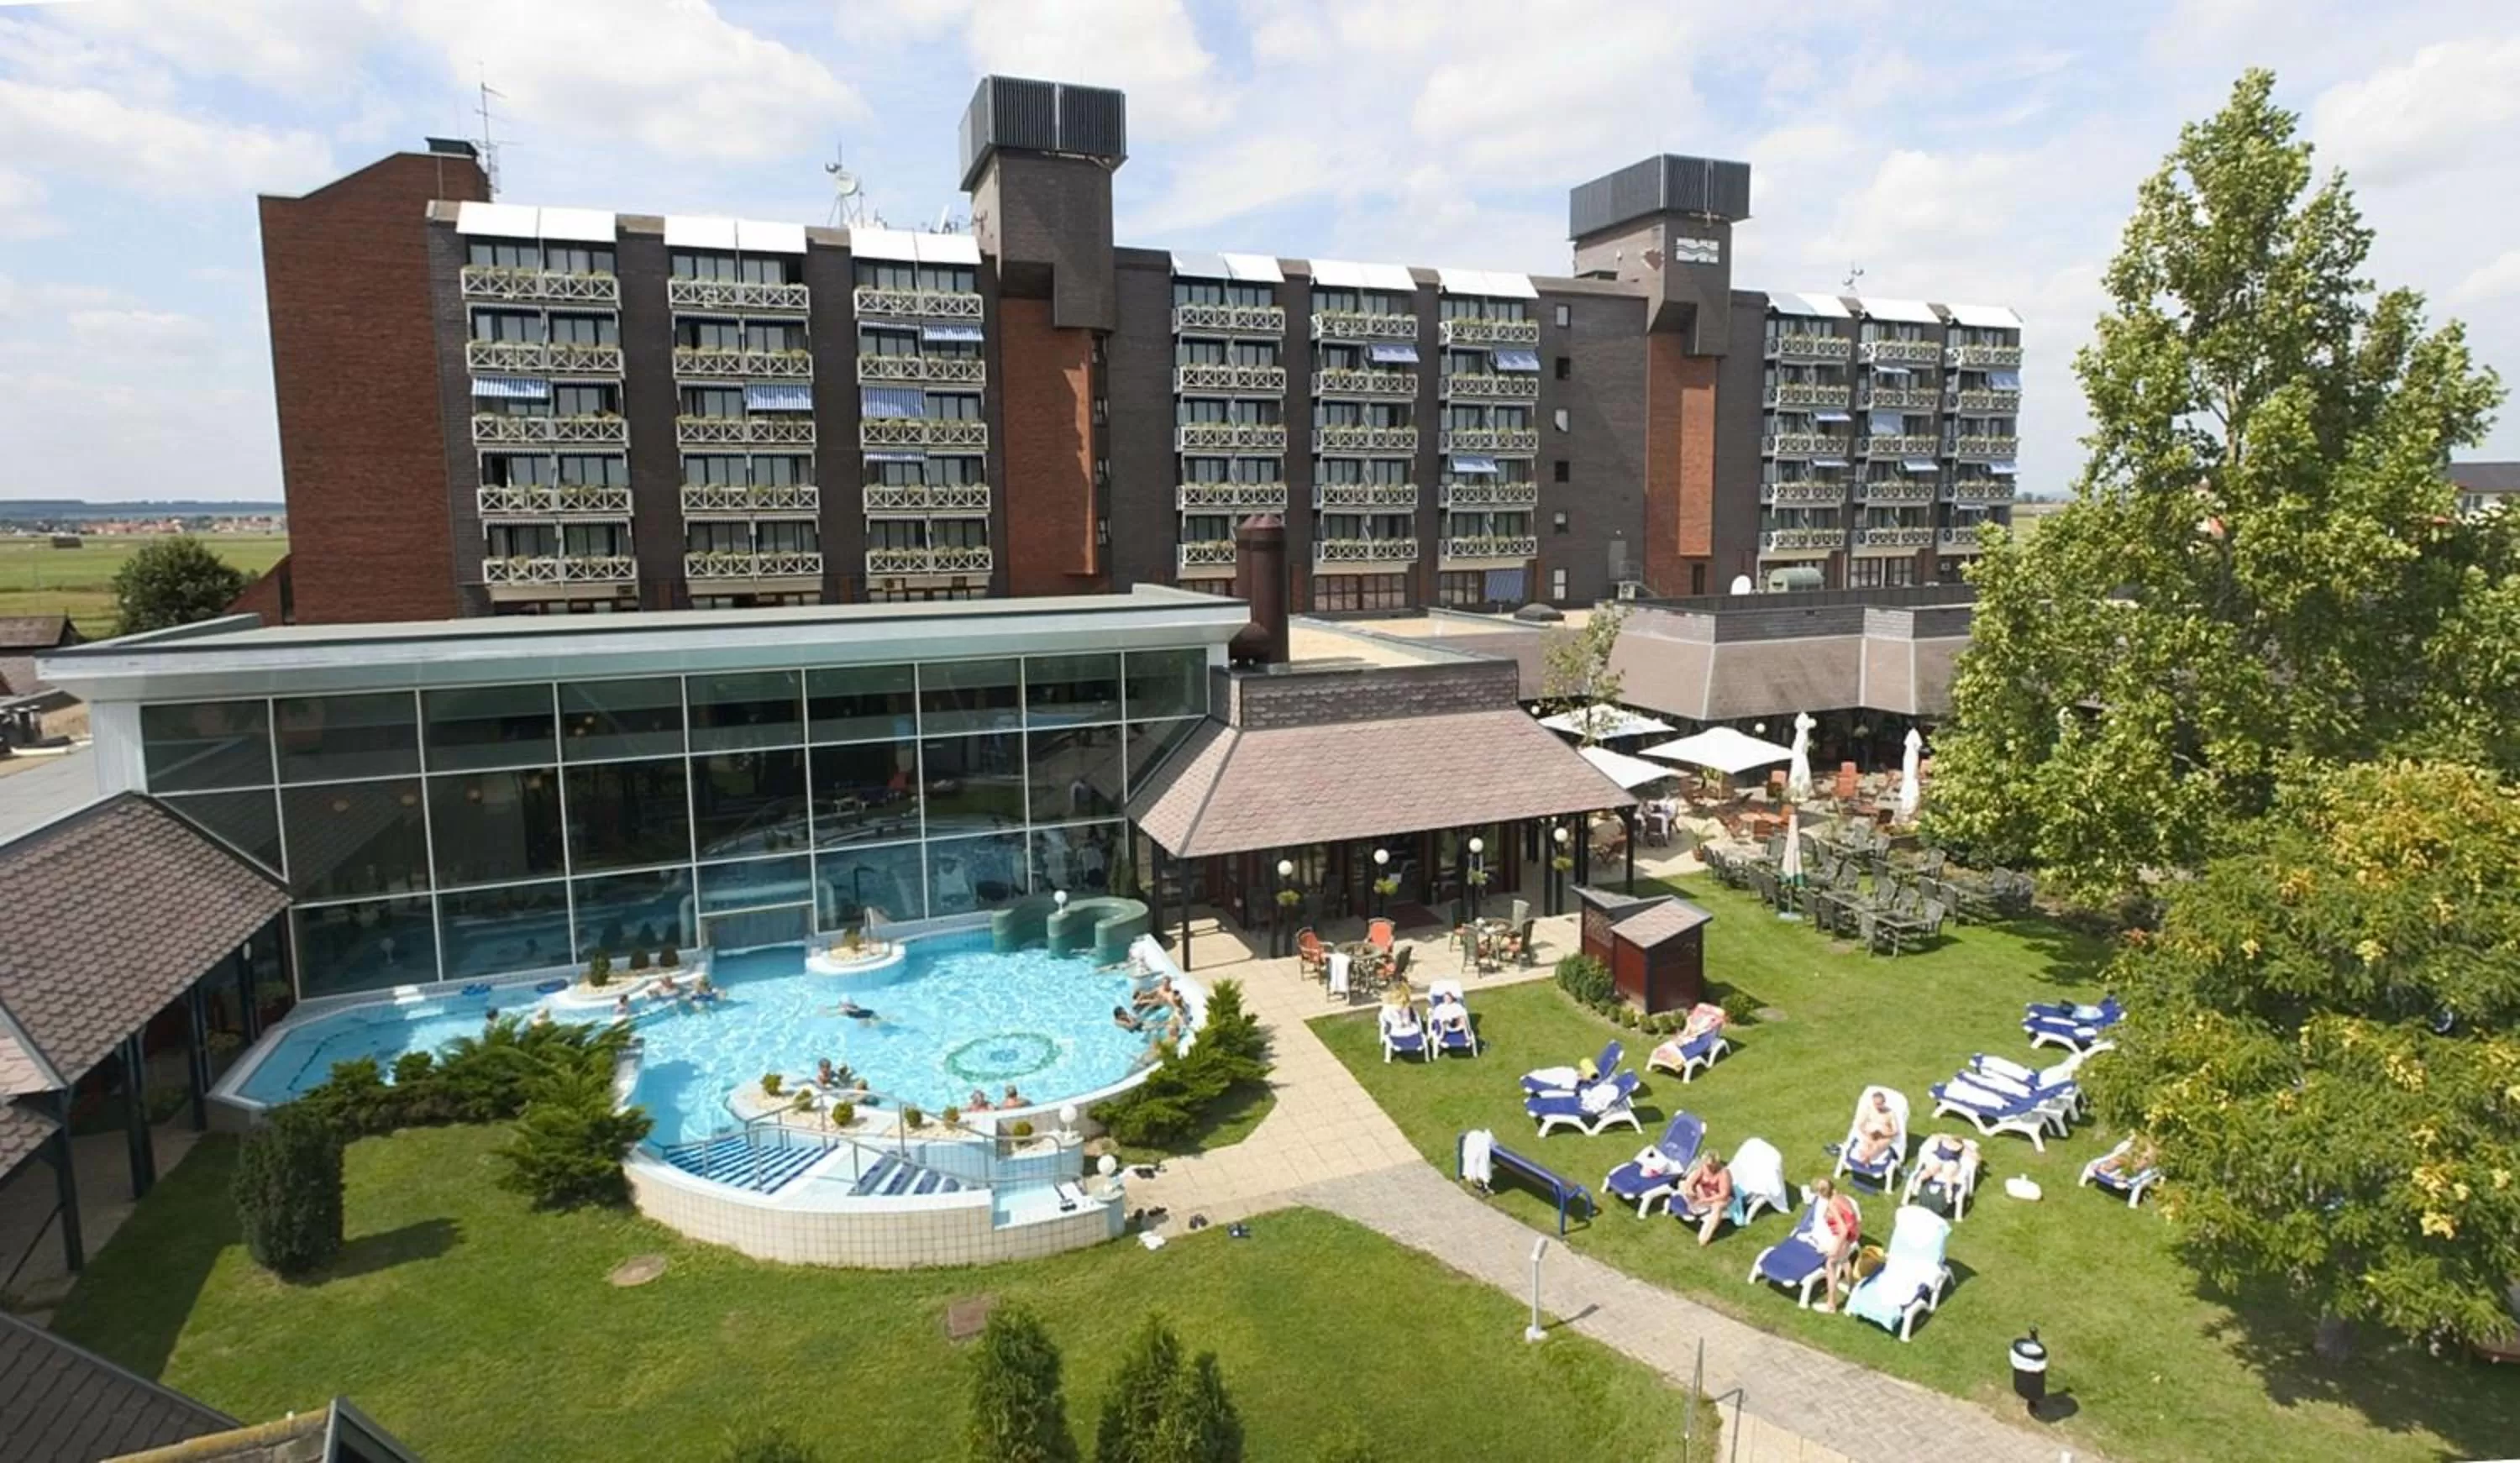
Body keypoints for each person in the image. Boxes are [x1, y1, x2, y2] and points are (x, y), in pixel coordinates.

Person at [1812, 1177, 1861, 1313]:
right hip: (1852, 1235)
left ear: (1821, 1194)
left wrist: (1835, 1248)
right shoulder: (1841, 1198)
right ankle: (1852, 1287)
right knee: (1845, 1259)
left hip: (1843, 1238)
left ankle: (1831, 1305)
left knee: (1831, 1265)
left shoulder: (1832, 1205)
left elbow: (1843, 1230)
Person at [1675, 1151, 1734, 1246]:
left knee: (1717, 1206)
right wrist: (1690, 1190)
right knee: (1683, 1184)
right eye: (1707, 1165)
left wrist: (1705, 1200)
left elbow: (1724, 1194)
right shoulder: (1703, 1168)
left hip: (1720, 1198)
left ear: (1716, 1163)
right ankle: (1695, 1208)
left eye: (1711, 1165)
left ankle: (1704, 1237)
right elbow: (1691, 1182)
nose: (1708, 1168)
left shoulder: (1724, 1173)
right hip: (1705, 1194)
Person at [1851, 1090, 1901, 1168]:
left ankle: (1864, 1157)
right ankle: (1866, 1159)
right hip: (1870, 1135)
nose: (1878, 1106)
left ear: (1884, 1102)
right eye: (1876, 1104)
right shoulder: (1868, 1110)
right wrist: (1867, 1131)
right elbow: (1860, 1124)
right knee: (1867, 1144)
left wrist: (1884, 1134)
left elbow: (1896, 1131)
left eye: (1880, 1104)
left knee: (1876, 1146)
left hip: (1884, 1137)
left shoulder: (1890, 1113)